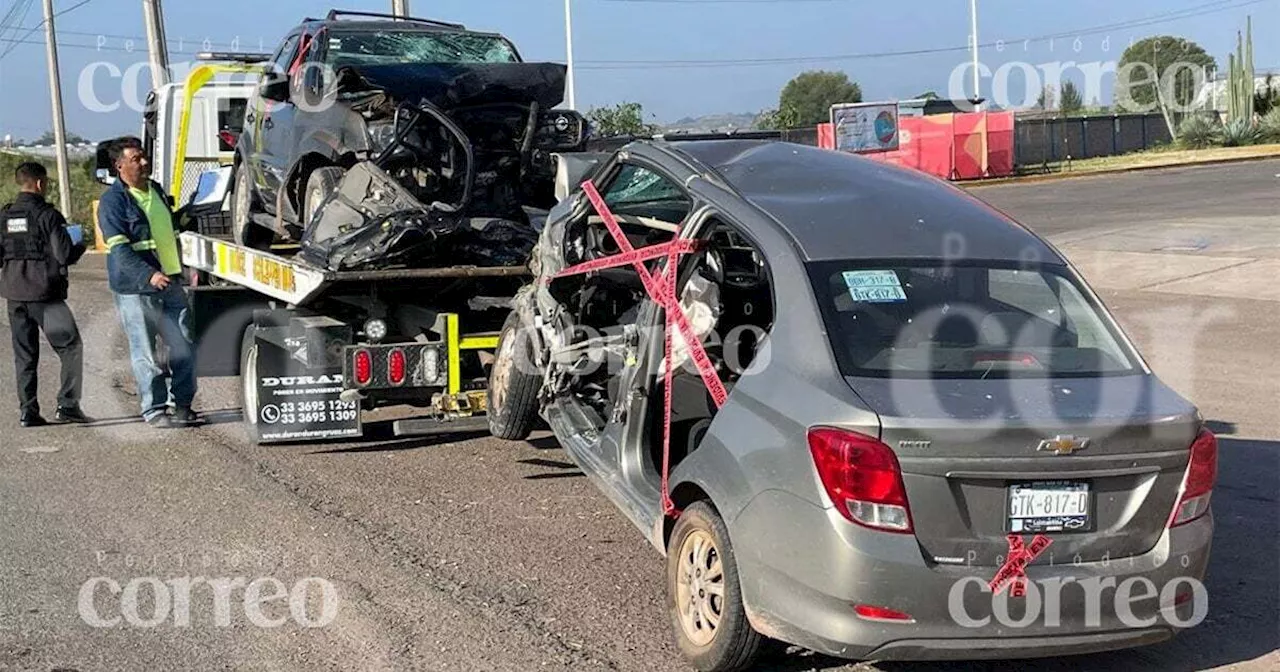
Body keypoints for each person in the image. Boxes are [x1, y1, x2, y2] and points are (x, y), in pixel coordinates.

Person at [97, 136, 201, 428]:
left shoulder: (154, 189)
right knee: (146, 351)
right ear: (119, 166)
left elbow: (167, 226)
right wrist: (148, 274)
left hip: (171, 282)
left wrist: (191, 212)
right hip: (138, 288)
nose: (144, 163)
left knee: (184, 344)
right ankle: (154, 410)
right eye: (136, 159)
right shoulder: (113, 201)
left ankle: (181, 404)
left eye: (144, 157)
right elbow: (119, 250)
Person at [0, 162, 90, 427]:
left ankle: (28, 411)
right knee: (71, 348)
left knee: (24, 355)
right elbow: (63, 254)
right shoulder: (48, 216)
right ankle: (68, 405)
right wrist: (80, 245)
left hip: (14, 295)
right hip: (46, 296)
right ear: (40, 184)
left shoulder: (4, 216)